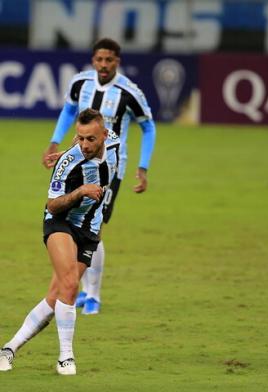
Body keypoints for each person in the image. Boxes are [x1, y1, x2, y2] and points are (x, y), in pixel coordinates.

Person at [0, 109, 119, 375]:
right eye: (80, 138)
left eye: (90, 139)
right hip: (60, 221)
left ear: (104, 135)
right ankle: (66, 357)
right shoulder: (69, 162)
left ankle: (9, 348)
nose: (84, 145)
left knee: (57, 297)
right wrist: (79, 191)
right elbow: (52, 206)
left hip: (89, 229)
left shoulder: (114, 142)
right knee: (70, 285)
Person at [42, 38, 156, 314]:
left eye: (109, 60)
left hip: (110, 169)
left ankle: (92, 294)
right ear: (93, 60)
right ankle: (80, 289)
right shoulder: (81, 83)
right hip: (78, 165)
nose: (104, 65)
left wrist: (142, 168)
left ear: (118, 60)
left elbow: (148, 127)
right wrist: (56, 142)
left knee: (96, 225)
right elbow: (69, 110)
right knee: (74, 219)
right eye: (99, 59)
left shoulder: (129, 92)